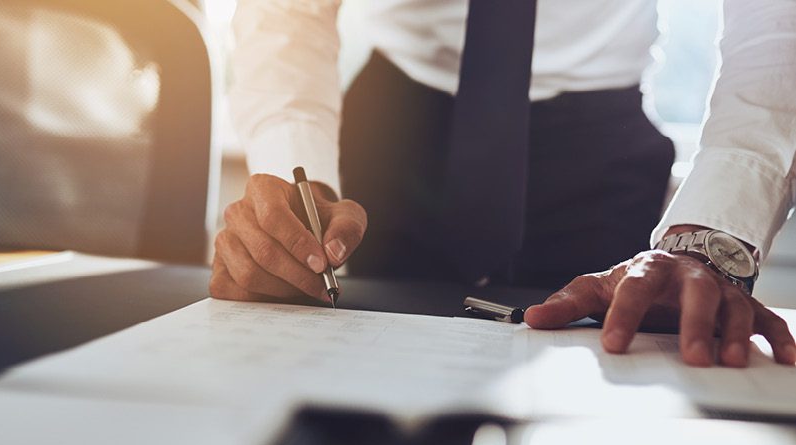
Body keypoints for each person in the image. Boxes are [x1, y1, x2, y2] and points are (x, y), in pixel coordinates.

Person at [211, 0, 796, 368]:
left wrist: (710, 238)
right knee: (350, 379)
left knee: (603, 388)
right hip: (396, 133)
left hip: (598, 152)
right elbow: (288, 13)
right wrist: (295, 175)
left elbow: (775, 24)